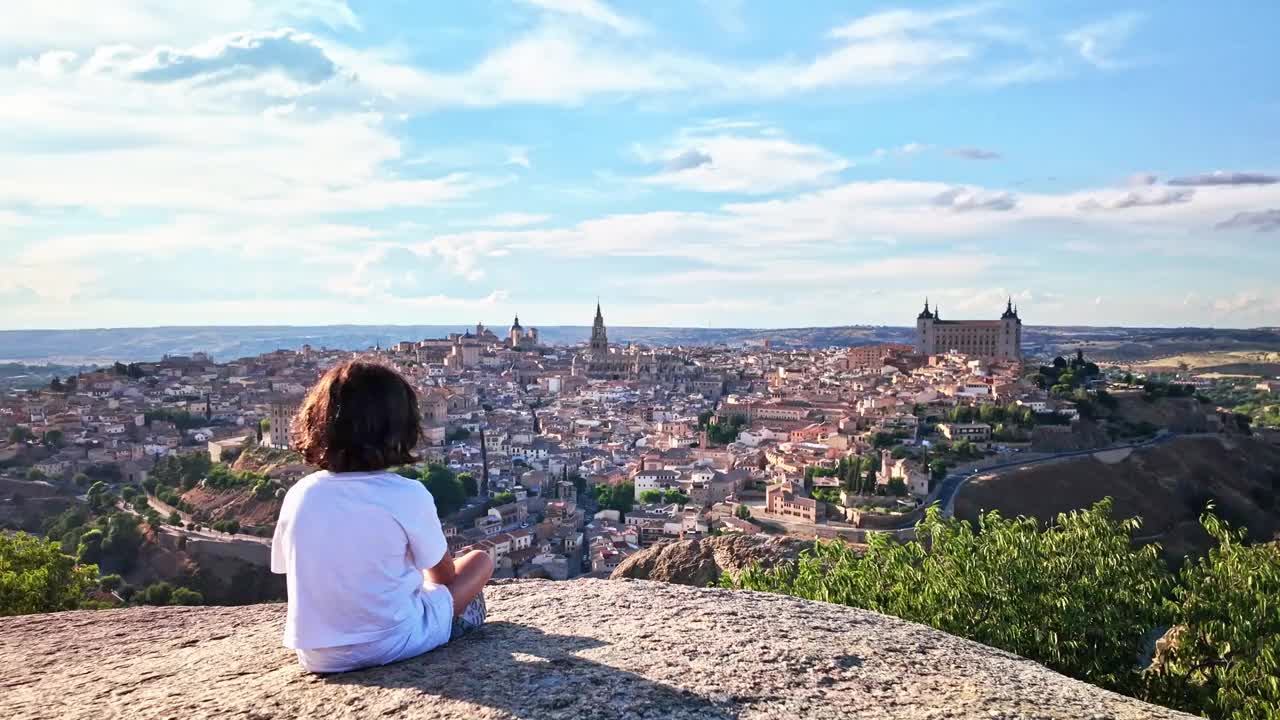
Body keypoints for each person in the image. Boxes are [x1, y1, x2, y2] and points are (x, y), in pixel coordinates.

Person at [271, 360, 494, 673]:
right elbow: (444, 577)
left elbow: (286, 568)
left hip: (317, 656)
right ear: (401, 427)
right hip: (397, 640)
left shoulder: (299, 493)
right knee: (480, 561)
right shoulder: (406, 493)